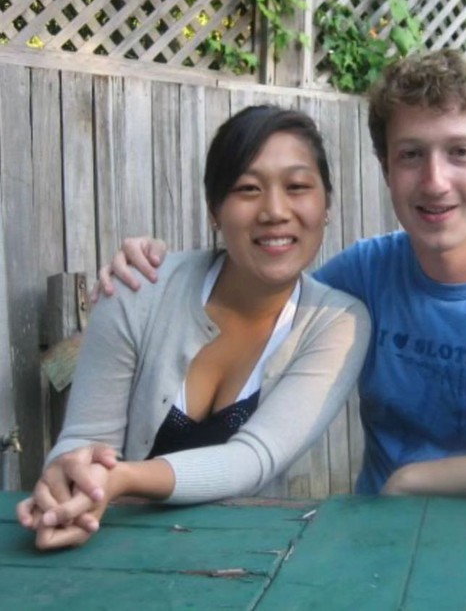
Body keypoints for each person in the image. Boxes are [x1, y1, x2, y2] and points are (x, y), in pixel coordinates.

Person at [45, 50, 466, 507]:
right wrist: (149, 266)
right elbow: (264, 288)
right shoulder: (360, 279)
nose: (434, 181)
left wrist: (418, 478)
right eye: (411, 155)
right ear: (386, 168)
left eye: (459, 152)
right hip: (379, 540)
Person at [16, 105, 371, 550]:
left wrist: (123, 478)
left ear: (327, 206)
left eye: (297, 187)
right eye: (248, 189)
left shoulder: (337, 324)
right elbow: (86, 438)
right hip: (109, 547)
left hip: (245, 559)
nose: (275, 211)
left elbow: (254, 459)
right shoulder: (136, 289)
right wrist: (68, 482)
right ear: (214, 211)